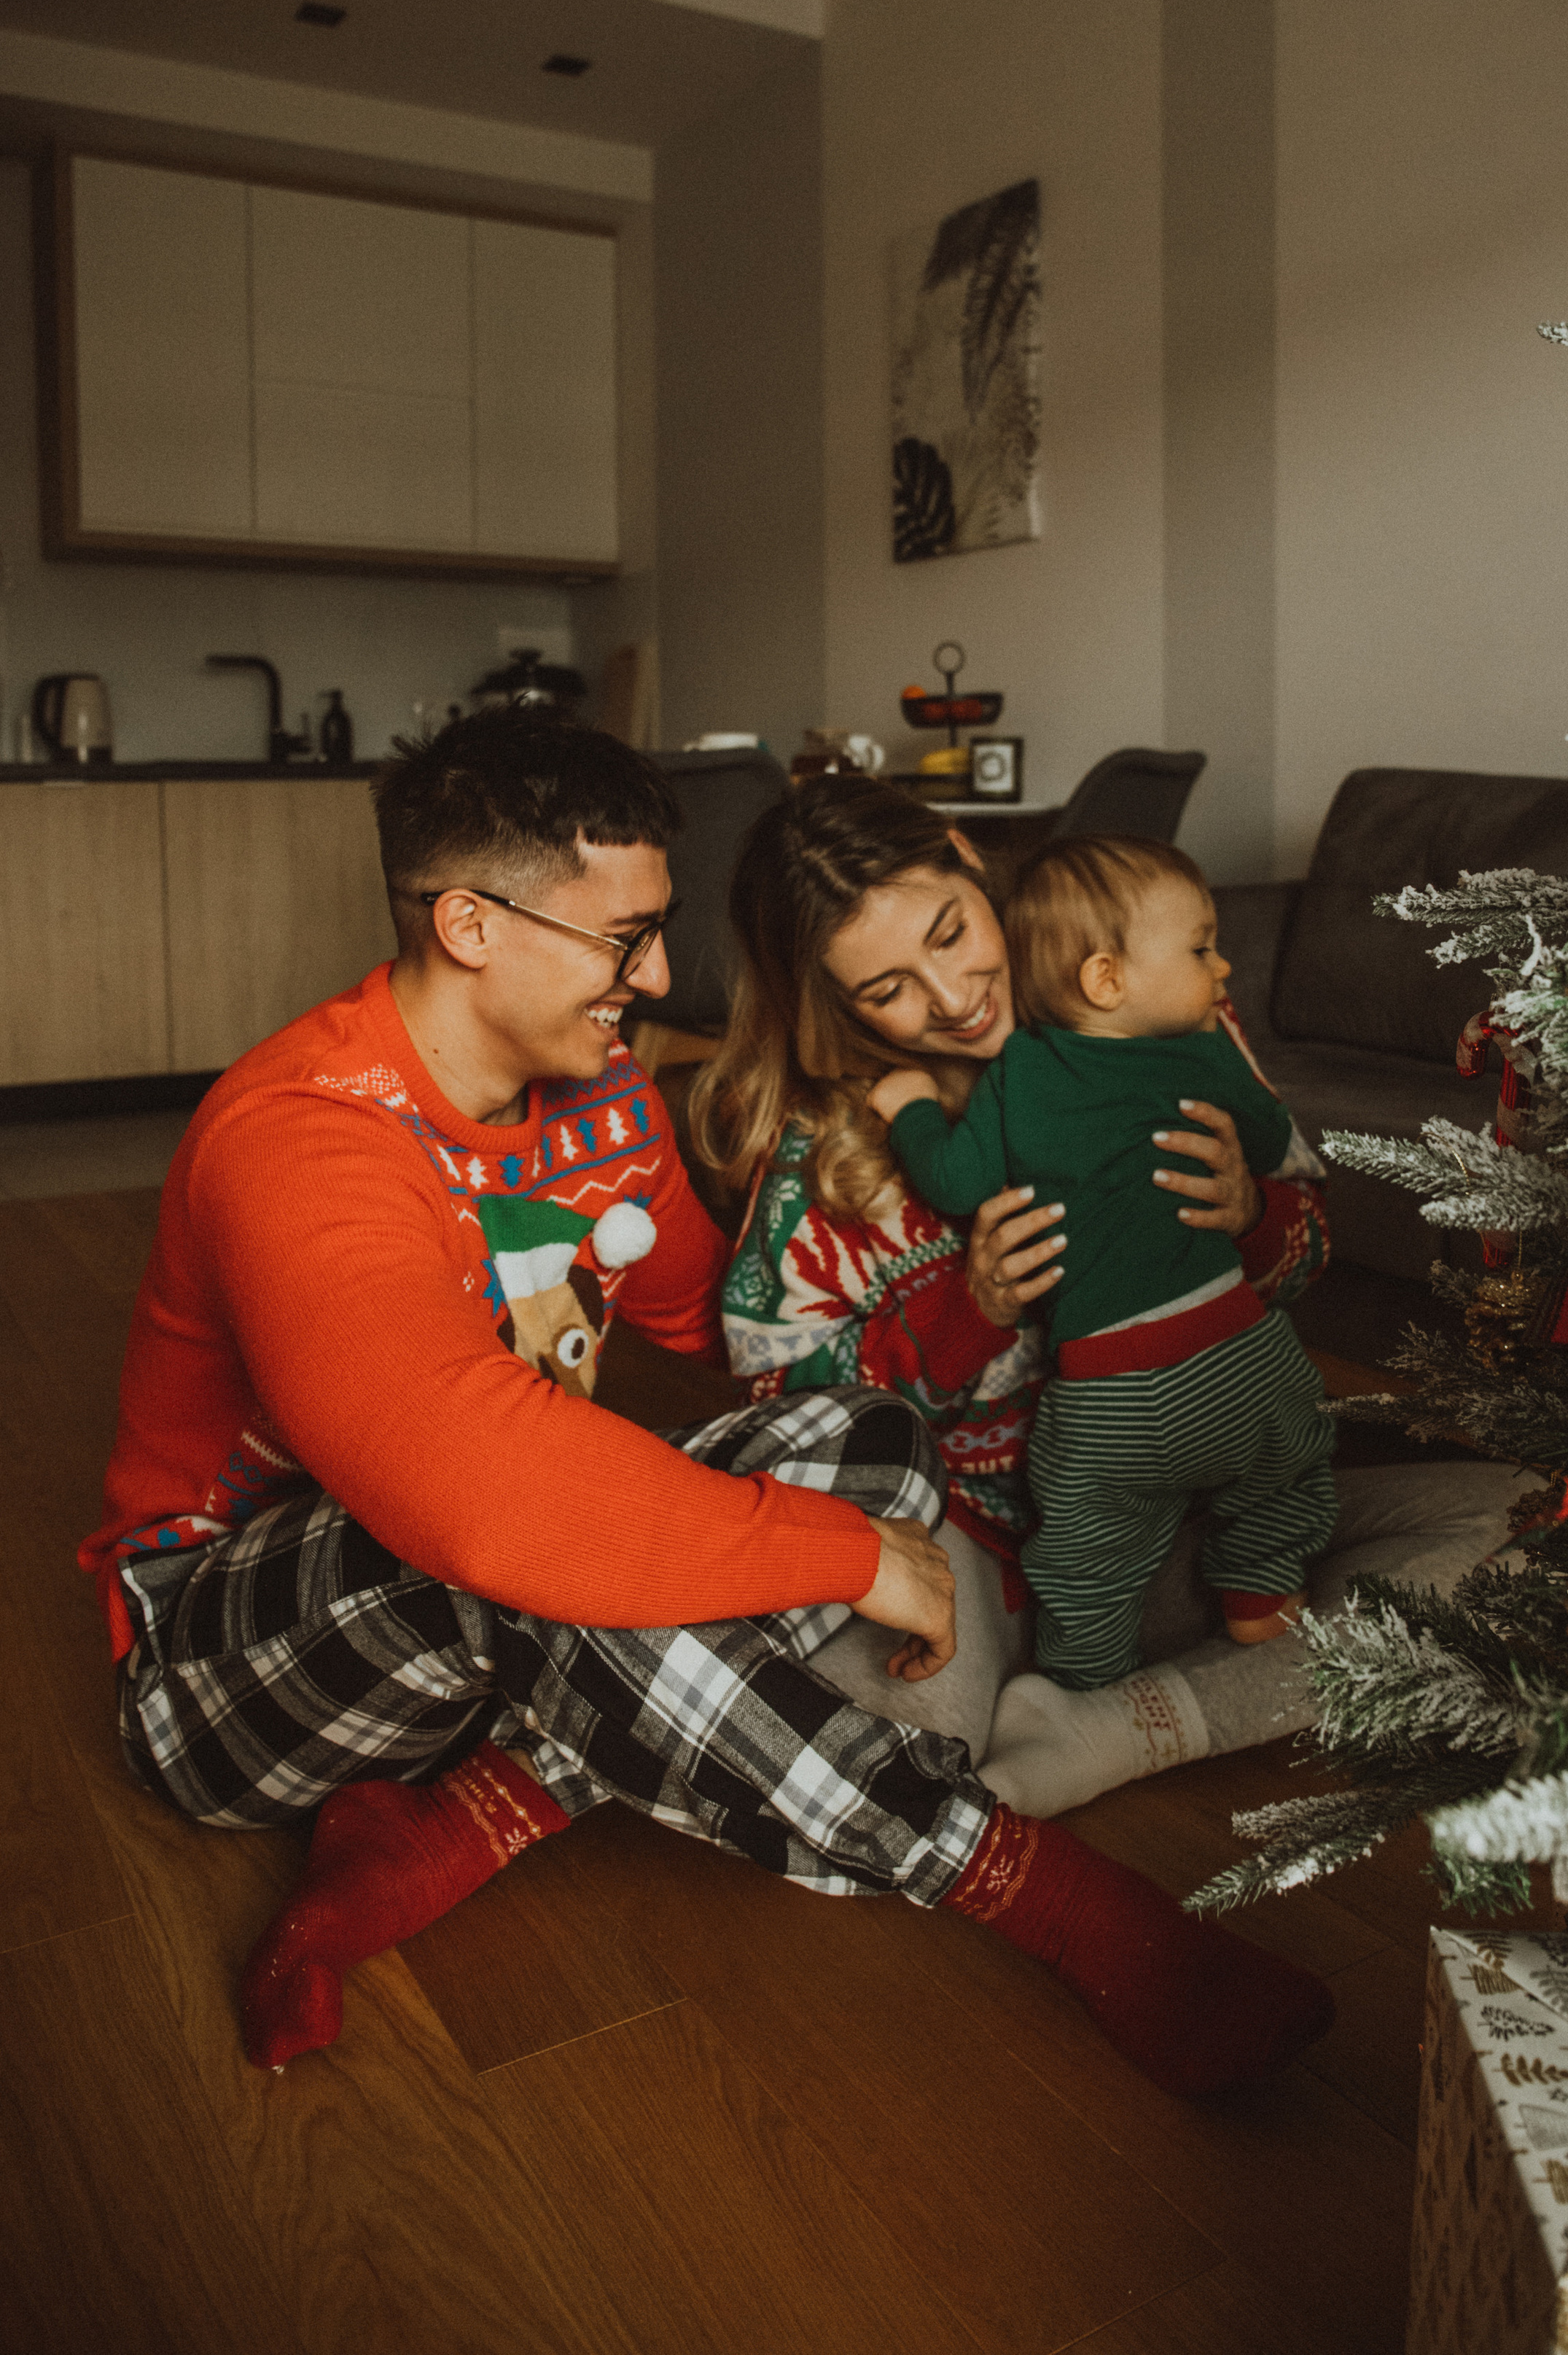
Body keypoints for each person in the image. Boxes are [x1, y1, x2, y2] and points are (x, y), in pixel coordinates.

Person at [82, 709, 1331, 2093]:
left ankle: (443, 1825)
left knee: (868, 1436)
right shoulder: (304, 1136)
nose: (659, 975)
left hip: (465, 1659)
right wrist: (847, 1555)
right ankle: (1069, 1908)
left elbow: (734, 1342)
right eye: (624, 942)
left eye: (661, 928)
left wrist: (898, 1277)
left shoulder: (602, 1097)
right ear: (471, 926)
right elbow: (483, 1498)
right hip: (223, 1667)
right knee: (519, 1524)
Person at [695, 773, 1519, 1818]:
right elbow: (780, 1417)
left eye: (950, 932)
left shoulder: (1154, 1004)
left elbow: (1306, 1254)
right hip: (980, 1559)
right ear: (833, 1006)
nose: (952, 999)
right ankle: (1098, 1695)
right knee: (891, 1767)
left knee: (1523, 1533)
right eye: (888, 987)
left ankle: (1122, 1724)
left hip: (1197, 1515)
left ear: (966, 853)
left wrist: (1252, 1216)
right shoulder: (830, 1148)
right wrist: (967, 1316)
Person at [873, 833, 1338, 1689]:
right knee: (1289, 1466)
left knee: (1086, 1552)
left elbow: (953, 1180)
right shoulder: (1199, 1049)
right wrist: (1244, 1149)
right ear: (1106, 981)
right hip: (1244, 1358)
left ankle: (1086, 1681)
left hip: (1110, 1398)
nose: (1224, 968)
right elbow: (1272, 1139)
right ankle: (1261, 1602)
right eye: (1202, 949)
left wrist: (908, 1112)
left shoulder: (1015, 1072)